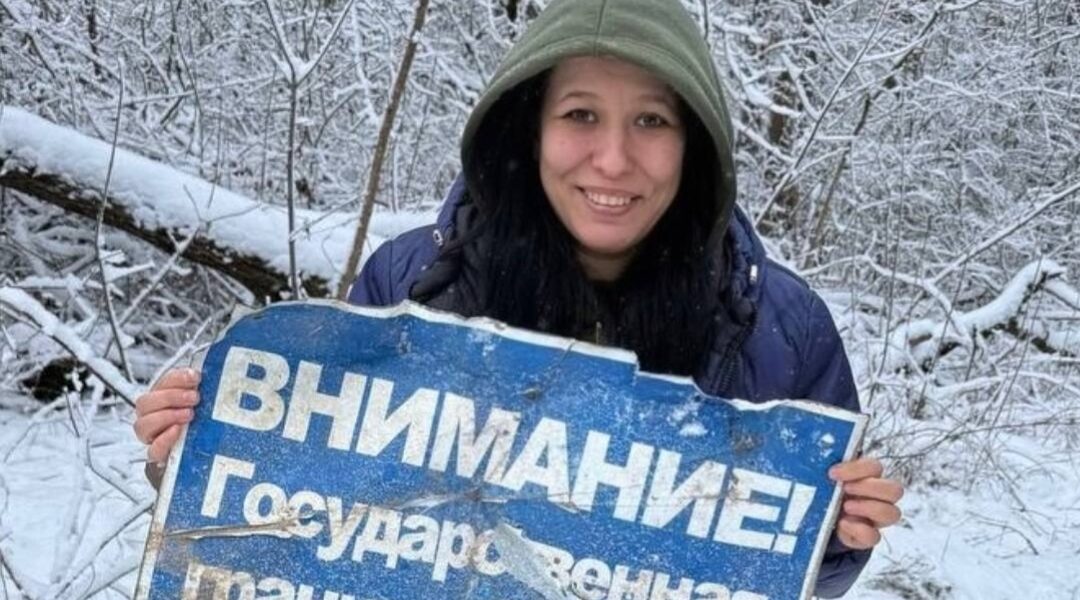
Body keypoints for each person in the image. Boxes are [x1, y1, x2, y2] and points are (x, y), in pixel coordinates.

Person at [134, 0, 904, 596]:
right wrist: (202, 453)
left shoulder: (782, 327)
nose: (613, 159)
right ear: (529, 129)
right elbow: (310, 520)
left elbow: (784, 577)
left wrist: (836, 536)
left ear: (694, 141)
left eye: (651, 120)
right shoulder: (413, 282)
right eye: (580, 115)